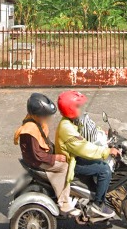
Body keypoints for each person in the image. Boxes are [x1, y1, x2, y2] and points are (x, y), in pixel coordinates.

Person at [55, 90, 120, 218]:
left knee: (99, 164)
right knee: (104, 170)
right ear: (70, 109)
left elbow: (88, 130)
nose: (81, 109)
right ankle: (97, 205)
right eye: (78, 106)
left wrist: (102, 134)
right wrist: (106, 151)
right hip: (72, 162)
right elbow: (84, 148)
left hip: (76, 157)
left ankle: (93, 193)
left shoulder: (71, 121)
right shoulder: (66, 128)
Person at [13, 93, 78, 216]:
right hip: (37, 161)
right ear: (36, 115)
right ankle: (64, 203)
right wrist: (56, 157)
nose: (47, 118)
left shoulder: (35, 122)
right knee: (65, 167)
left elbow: (46, 142)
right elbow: (38, 155)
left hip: (42, 155)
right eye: (45, 115)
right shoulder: (29, 130)